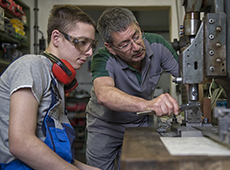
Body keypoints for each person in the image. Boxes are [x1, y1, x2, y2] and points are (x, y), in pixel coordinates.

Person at [0, 5, 100, 170]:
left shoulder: (57, 81)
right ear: (56, 38)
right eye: (82, 42)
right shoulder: (31, 66)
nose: (89, 52)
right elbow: (21, 143)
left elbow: (52, 153)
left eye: (92, 45)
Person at [86, 7, 180, 170]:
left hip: (140, 124)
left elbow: (189, 76)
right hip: (104, 126)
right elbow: (104, 94)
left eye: (136, 36)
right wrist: (149, 105)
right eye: (124, 44)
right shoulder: (103, 57)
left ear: (138, 26)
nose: (136, 47)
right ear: (110, 47)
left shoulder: (157, 44)